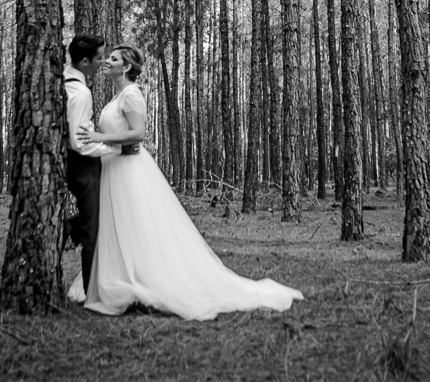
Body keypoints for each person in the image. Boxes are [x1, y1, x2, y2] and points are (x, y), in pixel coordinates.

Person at [68, 45, 303, 321]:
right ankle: (116, 278)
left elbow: (139, 133)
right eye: (107, 58)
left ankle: (144, 282)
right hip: (112, 167)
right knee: (118, 228)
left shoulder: (132, 94)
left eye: (113, 59)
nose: (106, 61)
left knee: (136, 226)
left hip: (129, 169)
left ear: (127, 68)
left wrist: (99, 138)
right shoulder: (118, 94)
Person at [62, 34, 113, 295]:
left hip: (78, 163)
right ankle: (92, 290)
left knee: (104, 214)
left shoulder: (63, 76)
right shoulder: (80, 93)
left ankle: (70, 226)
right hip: (83, 165)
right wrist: (114, 149)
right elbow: (79, 142)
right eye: (99, 57)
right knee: (94, 228)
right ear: (84, 61)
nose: (102, 61)